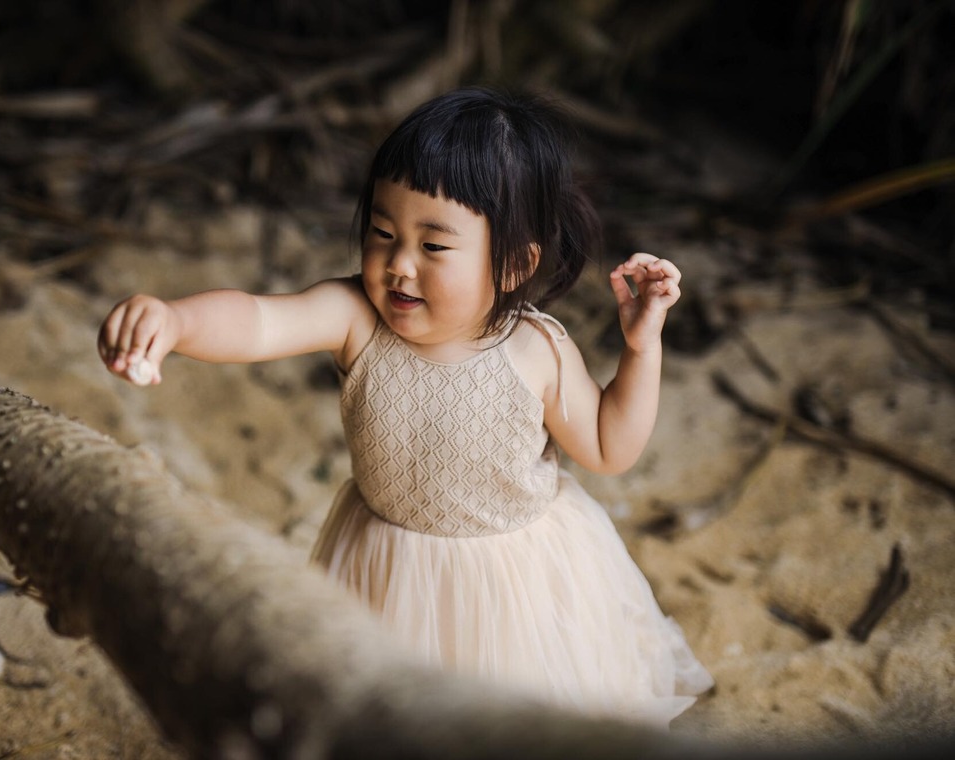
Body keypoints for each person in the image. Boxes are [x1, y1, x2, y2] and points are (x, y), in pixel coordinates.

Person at [97, 86, 713, 727]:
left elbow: (610, 449)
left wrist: (641, 348)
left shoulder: (538, 352)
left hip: (515, 587)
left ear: (514, 264)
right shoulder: (355, 320)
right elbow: (257, 321)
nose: (399, 266)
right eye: (383, 233)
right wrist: (174, 320)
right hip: (380, 568)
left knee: (507, 728)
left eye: (435, 247)